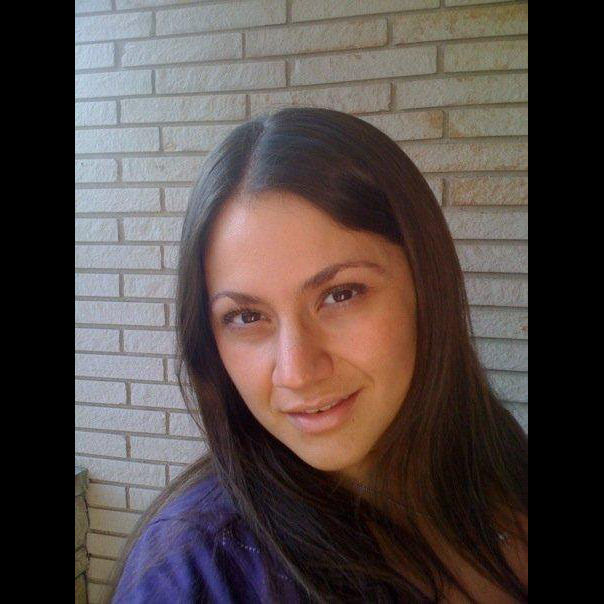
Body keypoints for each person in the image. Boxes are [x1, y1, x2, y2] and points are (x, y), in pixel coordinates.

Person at [108, 107, 528, 603]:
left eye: (341, 294)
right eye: (246, 316)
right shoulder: (198, 572)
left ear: (425, 284)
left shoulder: (503, 463)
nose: (297, 372)